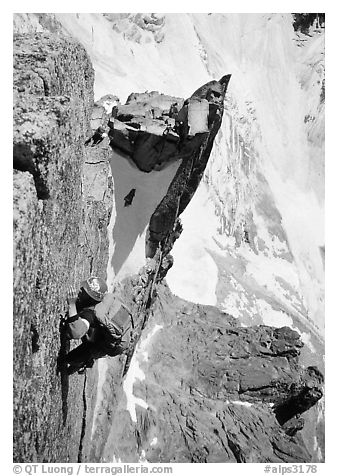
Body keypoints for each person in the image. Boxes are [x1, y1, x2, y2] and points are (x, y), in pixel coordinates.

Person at [62, 277, 108, 374]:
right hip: (96, 332)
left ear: (89, 298)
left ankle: (84, 362)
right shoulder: (92, 302)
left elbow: (77, 332)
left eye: (83, 291)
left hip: (98, 344)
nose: (80, 290)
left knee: (67, 360)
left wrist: (72, 304)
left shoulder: (90, 314)